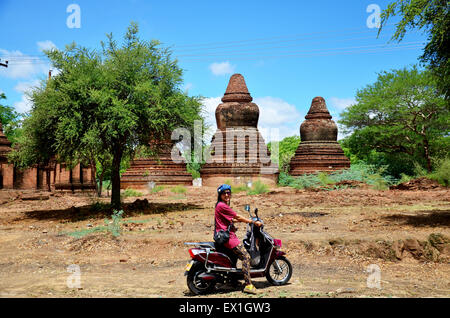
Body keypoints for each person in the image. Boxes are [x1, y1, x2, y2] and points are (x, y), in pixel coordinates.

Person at [215, 184, 262, 294]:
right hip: (228, 238)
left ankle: (232, 281)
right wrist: (252, 222)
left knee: (233, 257)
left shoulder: (220, 205)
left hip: (226, 235)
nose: (227, 195)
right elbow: (237, 216)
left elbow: (231, 219)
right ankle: (248, 285)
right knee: (246, 257)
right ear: (220, 195)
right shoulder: (222, 206)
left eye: (228, 192)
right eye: (224, 193)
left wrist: (240, 221)